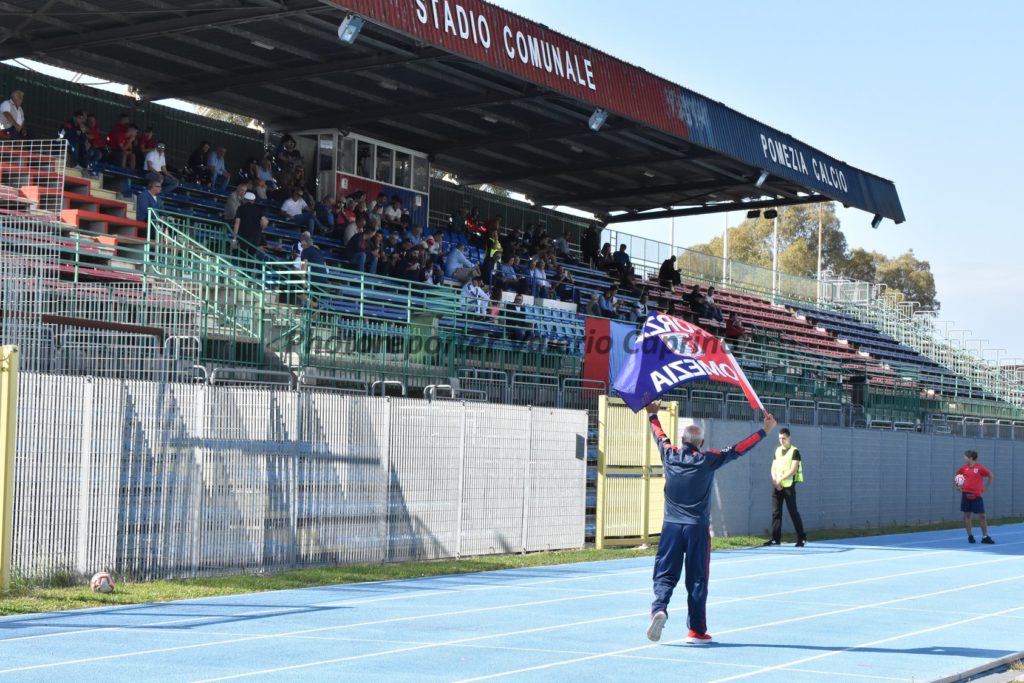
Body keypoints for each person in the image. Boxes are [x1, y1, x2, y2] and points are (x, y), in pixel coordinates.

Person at [645, 402, 776, 644]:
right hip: (697, 528)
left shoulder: (670, 454)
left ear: (682, 440)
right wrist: (764, 431)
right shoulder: (707, 460)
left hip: (671, 526)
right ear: (701, 443)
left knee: (664, 573)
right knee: (697, 578)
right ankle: (696, 630)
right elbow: (738, 450)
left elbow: (659, 434)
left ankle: (659, 609)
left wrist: (652, 412)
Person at [764, 427, 807, 547]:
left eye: (783, 438)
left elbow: (793, 470)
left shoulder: (795, 451)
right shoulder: (777, 450)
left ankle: (802, 538)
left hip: (788, 486)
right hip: (777, 485)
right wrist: (775, 480)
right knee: (776, 513)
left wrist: (781, 479)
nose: (781, 440)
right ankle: (775, 539)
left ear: (789, 438)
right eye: (779, 438)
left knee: (793, 512)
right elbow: (773, 467)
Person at [957, 450, 995, 544]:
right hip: (966, 494)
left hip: (976, 495)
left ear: (970, 457)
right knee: (967, 515)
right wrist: (958, 486)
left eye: (965, 456)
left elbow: (991, 476)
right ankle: (970, 536)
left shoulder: (980, 468)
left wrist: (986, 487)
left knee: (982, 516)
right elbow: (958, 477)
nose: (964, 458)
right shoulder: (963, 468)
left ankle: (985, 537)